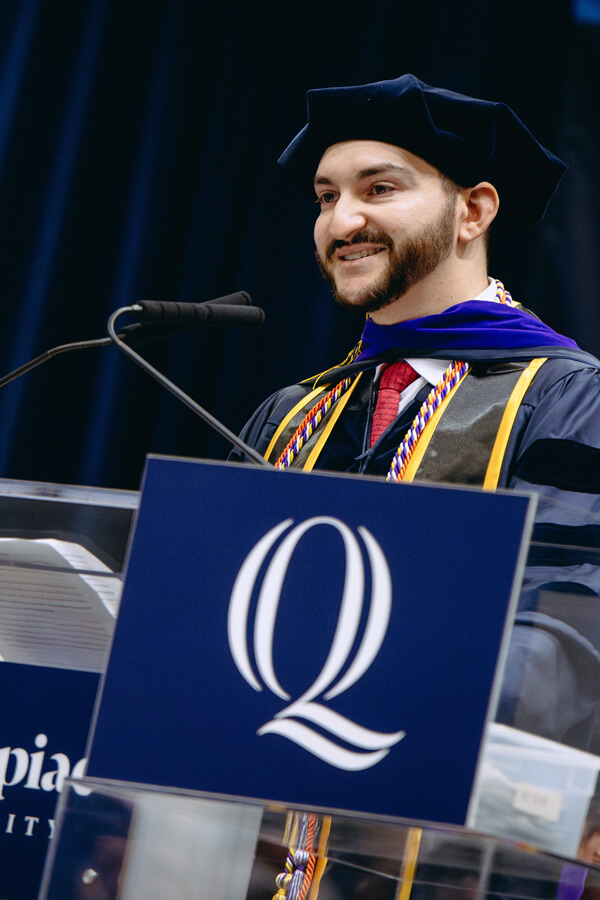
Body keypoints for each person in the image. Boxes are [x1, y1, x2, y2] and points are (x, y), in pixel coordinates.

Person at [231, 74, 600, 750]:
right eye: (326, 197)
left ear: (474, 211)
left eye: (379, 189)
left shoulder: (569, 401)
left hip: (448, 817)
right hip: (255, 818)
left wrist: (390, 709)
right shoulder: (291, 414)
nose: (342, 222)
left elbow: (571, 622)